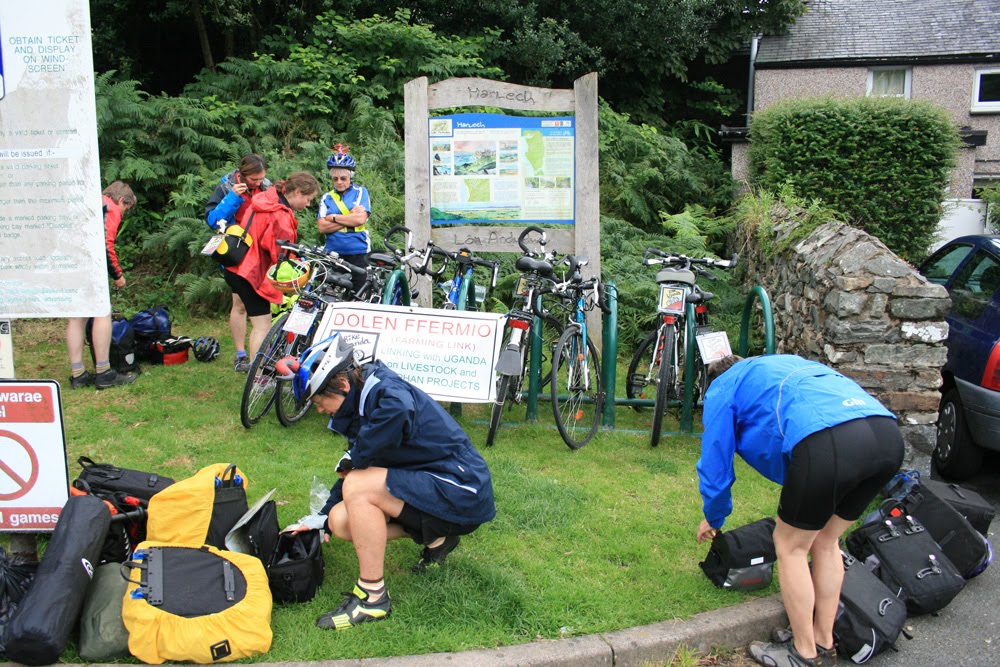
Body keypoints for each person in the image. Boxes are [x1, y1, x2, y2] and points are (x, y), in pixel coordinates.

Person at [695, 354, 904, 667]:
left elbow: (716, 459)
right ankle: (824, 640)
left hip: (831, 441)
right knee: (826, 540)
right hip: (886, 436)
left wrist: (714, 516)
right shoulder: (782, 364)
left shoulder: (723, 386)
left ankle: (802, 652)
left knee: (790, 546)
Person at [287, 334, 495, 631]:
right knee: (340, 520)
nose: (320, 410)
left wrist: (356, 457)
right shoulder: (360, 398)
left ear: (342, 384)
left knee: (358, 487)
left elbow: (394, 416)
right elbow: (358, 463)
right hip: (433, 487)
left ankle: (373, 597)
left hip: (462, 487)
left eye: (320, 401)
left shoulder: (384, 392)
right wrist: (319, 519)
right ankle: (438, 538)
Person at [223, 171, 320, 360]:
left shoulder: (264, 198)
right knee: (262, 325)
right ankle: (257, 374)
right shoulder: (280, 215)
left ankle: (243, 355)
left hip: (235, 263)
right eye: (308, 199)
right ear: (298, 192)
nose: (308, 204)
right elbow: (280, 255)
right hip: (252, 273)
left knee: (240, 307)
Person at [65, 181, 138, 390]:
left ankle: (78, 373)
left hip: (72, 265)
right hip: (91, 268)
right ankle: (104, 371)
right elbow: (106, 245)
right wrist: (117, 275)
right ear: (122, 200)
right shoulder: (110, 208)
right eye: (126, 209)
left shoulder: (87, 204)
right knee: (101, 314)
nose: (123, 214)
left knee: (77, 317)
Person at [204, 154, 271, 372]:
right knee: (239, 304)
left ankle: (256, 352)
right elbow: (213, 220)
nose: (258, 183)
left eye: (261, 178)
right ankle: (241, 354)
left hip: (259, 254)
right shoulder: (226, 186)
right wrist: (233, 198)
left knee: (250, 304)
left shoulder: (266, 186)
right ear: (242, 175)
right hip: (236, 253)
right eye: (254, 179)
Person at [317, 144, 371, 295]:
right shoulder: (326, 198)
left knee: (358, 294)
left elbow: (360, 219)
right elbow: (322, 227)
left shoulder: (361, 192)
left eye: (343, 178)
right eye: (335, 179)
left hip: (358, 251)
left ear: (350, 177)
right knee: (329, 294)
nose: (339, 182)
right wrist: (349, 218)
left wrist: (333, 217)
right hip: (333, 252)